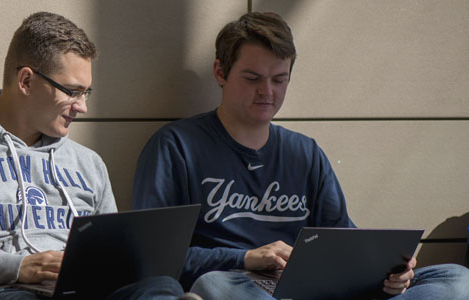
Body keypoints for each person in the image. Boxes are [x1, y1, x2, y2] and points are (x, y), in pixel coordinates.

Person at [131, 11, 469, 300]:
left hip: (313, 287)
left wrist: (389, 270)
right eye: (253, 79)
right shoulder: (176, 146)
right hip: (240, 282)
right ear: (221, 72)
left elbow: (343, 242)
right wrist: (246, 257)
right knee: (216, 285)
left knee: (456, 279)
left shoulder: (304, 152)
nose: (268, 92)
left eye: (280, 79)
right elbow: (153, 259)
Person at [0, 11, 198, 300]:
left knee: (161, 288)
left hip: (82, 293)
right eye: (72, 91)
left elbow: (109, 254)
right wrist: (16, 267)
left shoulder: (88, 163)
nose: (82, 107)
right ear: (26, 81)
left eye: (86, 93)